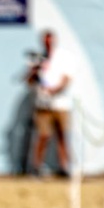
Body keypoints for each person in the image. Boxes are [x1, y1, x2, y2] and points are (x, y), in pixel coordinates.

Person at [26, 29, 72, 176]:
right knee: (43, 135)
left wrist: (54, 90)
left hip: (61, 104)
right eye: (45, 40)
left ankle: (64, 167)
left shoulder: (63, 56)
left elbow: (66, 78)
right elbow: (29, 81)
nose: (48, 43)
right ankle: (36, 167)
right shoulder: (38, 58)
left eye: (50, 40)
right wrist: (34, 71)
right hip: (43, 104)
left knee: (62, 136)